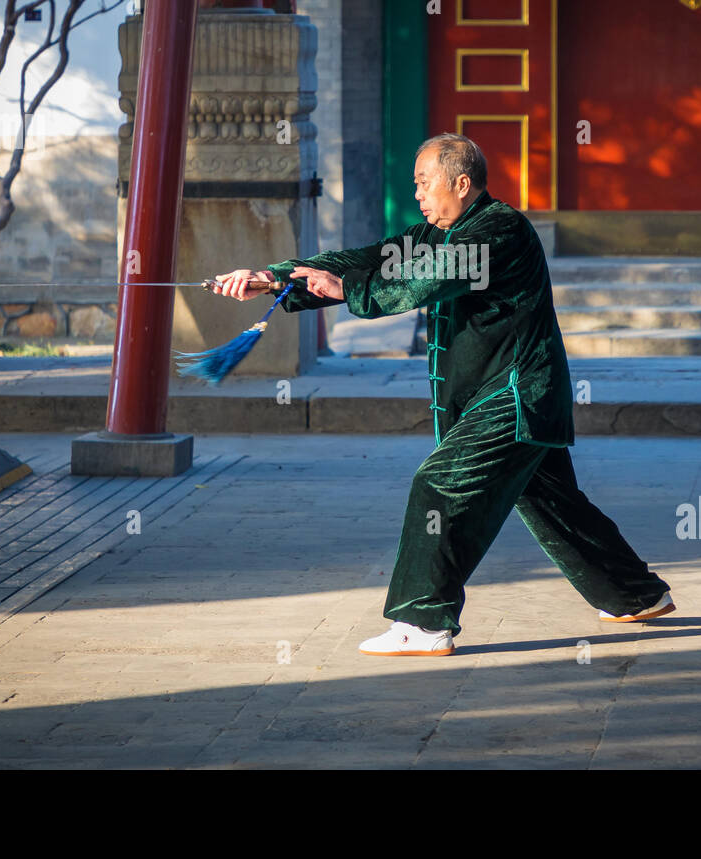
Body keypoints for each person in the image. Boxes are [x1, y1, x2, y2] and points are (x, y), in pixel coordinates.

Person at [211, 133, 674, 657]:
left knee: (439, 484)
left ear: (461, 181)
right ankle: (636, 595)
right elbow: (371, 259)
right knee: (554, 504)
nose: (419, 196)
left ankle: (422, 622)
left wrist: (352, 292)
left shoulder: (500, 230)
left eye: (424, 183)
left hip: (517, 394)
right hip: (497, 396)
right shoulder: (443, 231)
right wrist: (273, 278)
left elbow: (426, 278)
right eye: (416, 185)